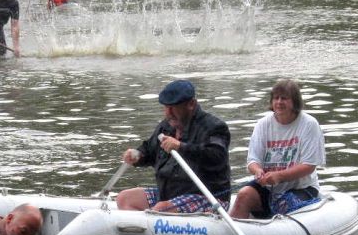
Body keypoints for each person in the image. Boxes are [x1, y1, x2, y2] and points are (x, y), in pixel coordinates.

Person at [117, 79, 231, 213]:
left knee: (162, 208)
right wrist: (137, 155)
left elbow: (216, 157)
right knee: (124, 198)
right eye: (166, 107)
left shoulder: (214, 127)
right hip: (169, 194)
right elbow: (149, 150)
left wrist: (181, 147)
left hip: (207, 197)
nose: (168, 113)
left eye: (174, 108)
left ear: (191, 104)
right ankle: (139, 231)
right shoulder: (165, 126)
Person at [230, 80, 325, 219]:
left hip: (302, 188)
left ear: (295, 102)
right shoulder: (263, 124)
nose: (279, 102)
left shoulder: (309, 124)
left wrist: (279, 176)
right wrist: (258, 171)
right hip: (268, 188)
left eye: (284, 98)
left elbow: (309, 166)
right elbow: (252, 161)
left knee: (284, 205)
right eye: (276, 98)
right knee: (244, 195)